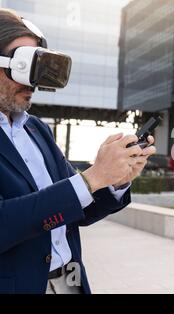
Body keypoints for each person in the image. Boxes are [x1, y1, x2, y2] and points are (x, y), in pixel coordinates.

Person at [0, 8, 156, 294]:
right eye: (24, 65)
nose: (33, 81)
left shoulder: (36, 129)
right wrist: (93, 177)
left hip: (70, 283)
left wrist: (116, 179)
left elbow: (76, 211)